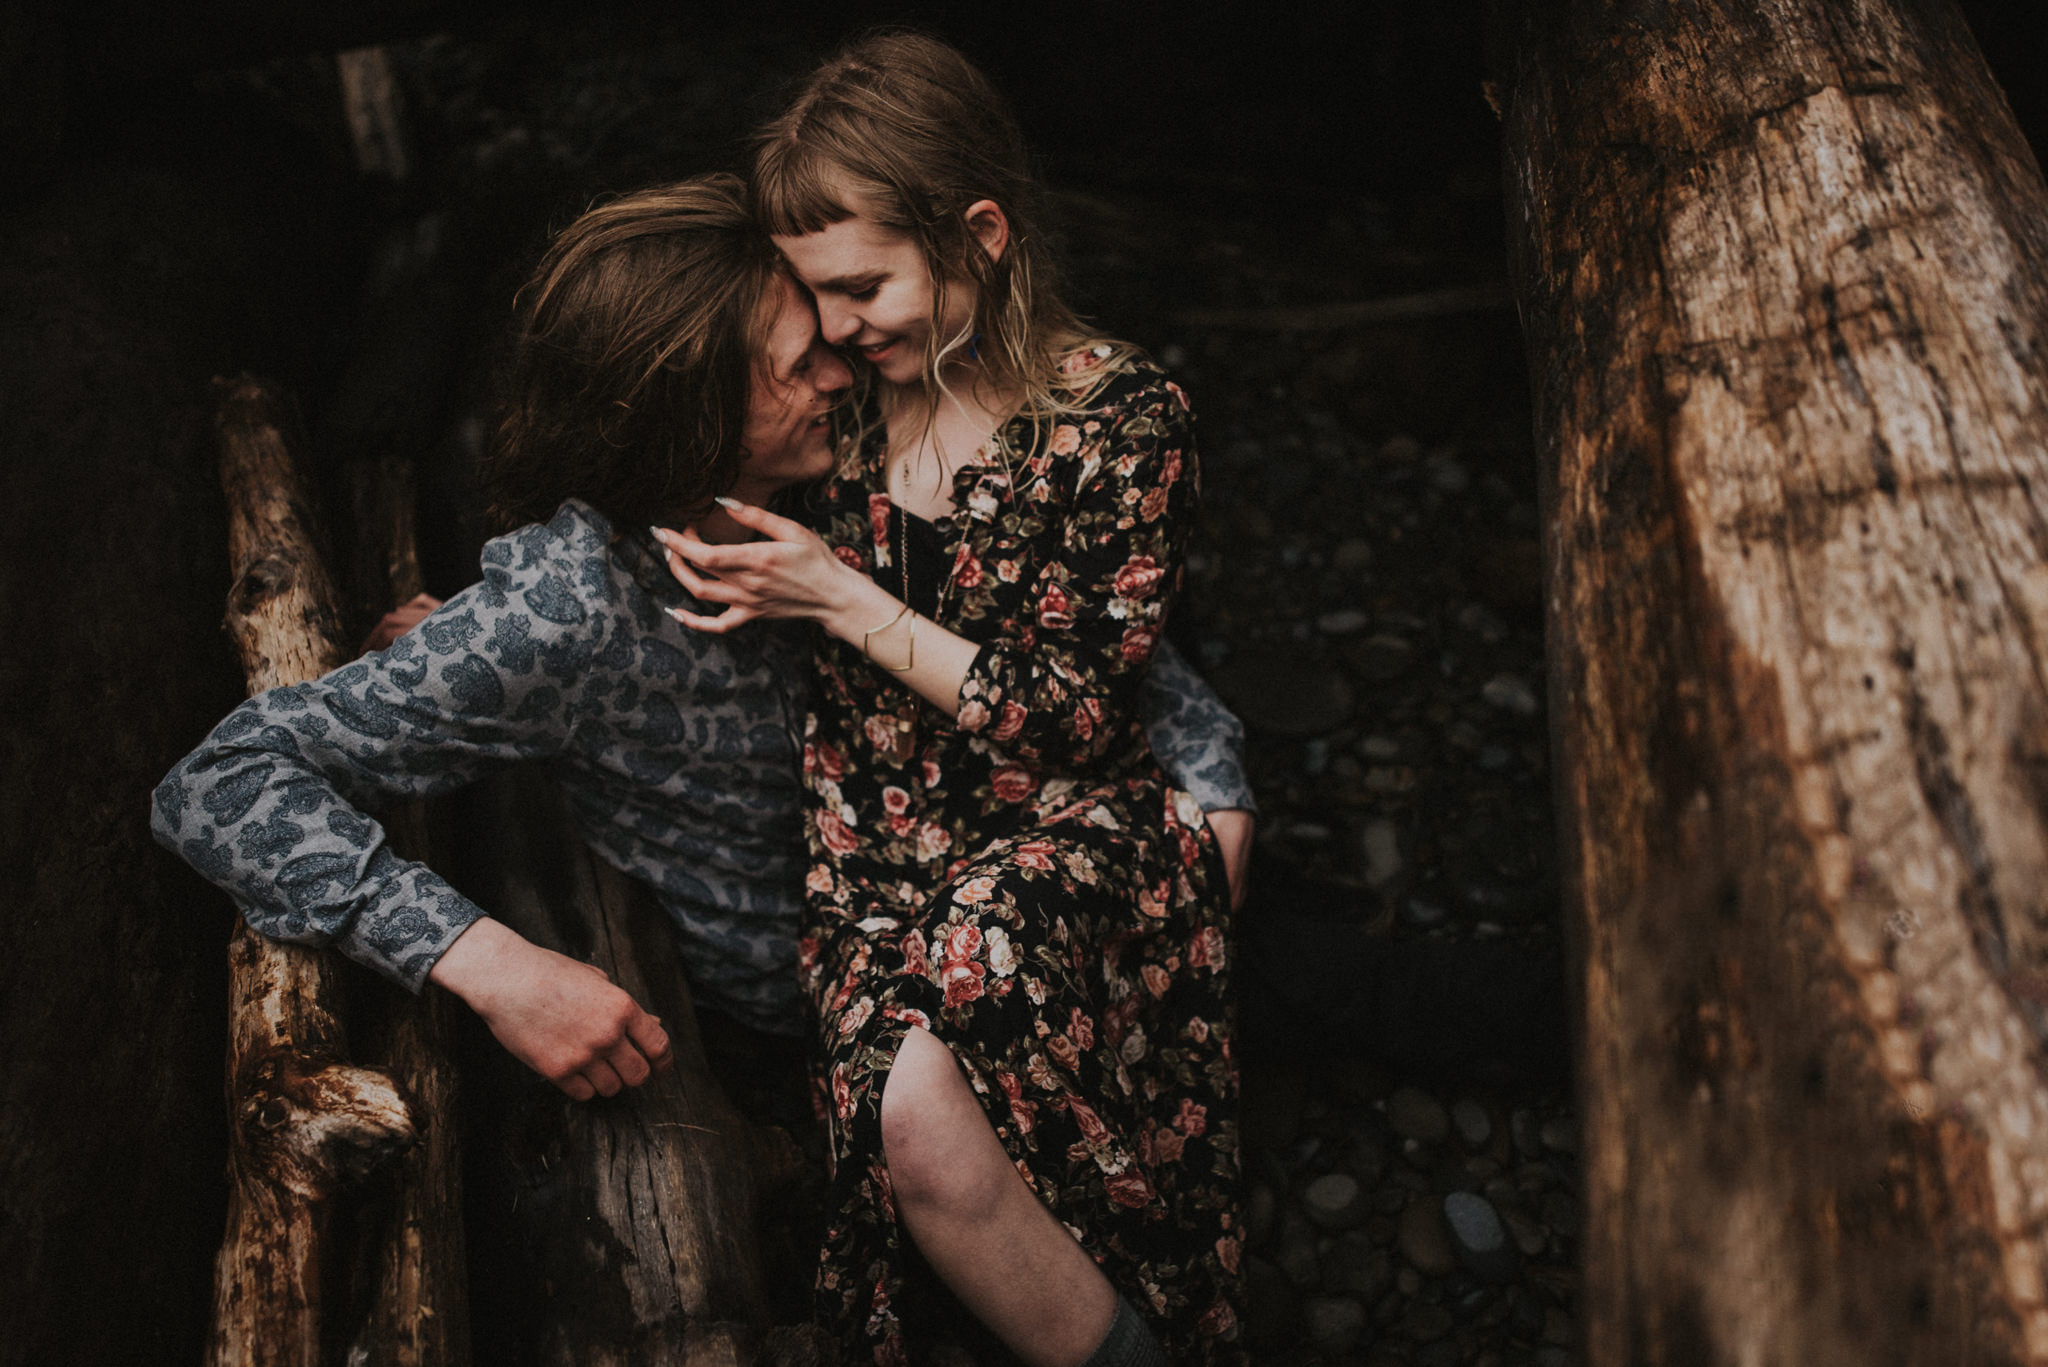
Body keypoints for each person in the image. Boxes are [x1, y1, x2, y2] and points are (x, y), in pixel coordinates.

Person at [150, 174, 1254, 1113]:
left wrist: (1214, 790)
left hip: (1058, 864)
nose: (838, 366)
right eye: (794, 361)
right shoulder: (567, 607)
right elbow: (219, 782)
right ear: (678, 408)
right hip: (873, 1013)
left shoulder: (862, 451)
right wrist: (490, 962)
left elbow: (1096, 637)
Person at [652, 34, 1246, 1365]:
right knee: (924, 1190)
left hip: (1068, 829)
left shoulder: (1122, 420)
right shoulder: (843, 403)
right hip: (870, 869)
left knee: (933, 1100)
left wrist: (841, 598)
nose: (839, 328)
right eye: (815, 297)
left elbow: (1081, 708)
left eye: (861, 286)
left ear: (980, 232)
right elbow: (678, 491)